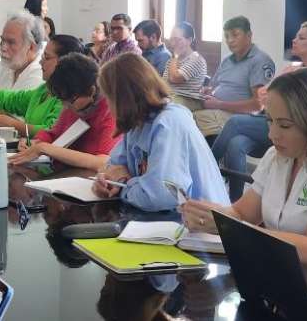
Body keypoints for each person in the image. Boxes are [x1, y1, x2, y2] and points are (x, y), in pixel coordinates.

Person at [183, 68, 307, 272]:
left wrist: (236, 231)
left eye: (285, 125)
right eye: (270, 120)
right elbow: (242, 213)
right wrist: (211, 216)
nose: (272, 134)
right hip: (279, 282)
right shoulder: (275, 158)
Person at [92, 53, 229, 211]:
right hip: (165, 220)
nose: (108, 106)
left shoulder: (170, 122)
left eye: (109, 98)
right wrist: (105, 181)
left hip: (200, 227)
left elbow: (162, 196)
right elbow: (115, 166)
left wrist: (123, 186)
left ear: (123, 99)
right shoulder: (137, 121)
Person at [211, 21, 307, 201]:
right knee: (236, 144)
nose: (294, 40)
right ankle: (234, 201)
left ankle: (207, 165)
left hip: (298, 130)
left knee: (235, 122)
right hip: (272, 121)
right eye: (296, 36)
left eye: (301, 37)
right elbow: (265, 98)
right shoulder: (292, 69)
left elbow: (304, 110)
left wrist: (275, 98)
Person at [9, 52, 120, 170]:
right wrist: (33, 143)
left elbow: (103, 162)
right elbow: (53, 134)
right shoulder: (74, 102)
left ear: (91, 91)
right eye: (62, 100)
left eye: (69, 100)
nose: (65, 106)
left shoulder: (112, 111)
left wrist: (44, 148)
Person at [193, 15, 275, 139]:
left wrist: (219, 104)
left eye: (235, 35)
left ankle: (209, 156)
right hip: (215, 108)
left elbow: (258, 105)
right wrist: (207, 91)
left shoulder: (260, 61)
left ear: (249, 36)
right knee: (179, 109)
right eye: (226, 36)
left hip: (238, 115)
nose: (230, 40)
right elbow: (214, 86)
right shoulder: (227, 60)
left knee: (192, 119)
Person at [162, 21, 207, 111]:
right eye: (171, 39)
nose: (173, 44)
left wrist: (175, 56)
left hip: (188, 99)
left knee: (166, 106)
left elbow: (174, 78)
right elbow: (164, 81)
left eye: (178, 39)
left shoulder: (196, 59)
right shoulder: (172, 60)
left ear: (189, 40)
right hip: (171, 96)